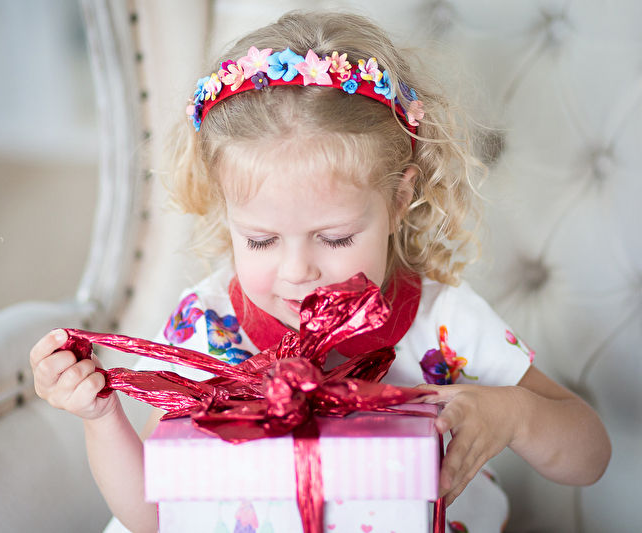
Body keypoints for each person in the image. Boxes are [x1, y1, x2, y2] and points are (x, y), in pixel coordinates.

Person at [30, 11, 610, 533]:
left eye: (335, 238)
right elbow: (156, 519)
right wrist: (101, 417)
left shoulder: (443, 323)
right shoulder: (208, 326)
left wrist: (512, 414)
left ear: (399, 200)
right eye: (260, 240)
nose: (298, 270)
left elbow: (590, 457)